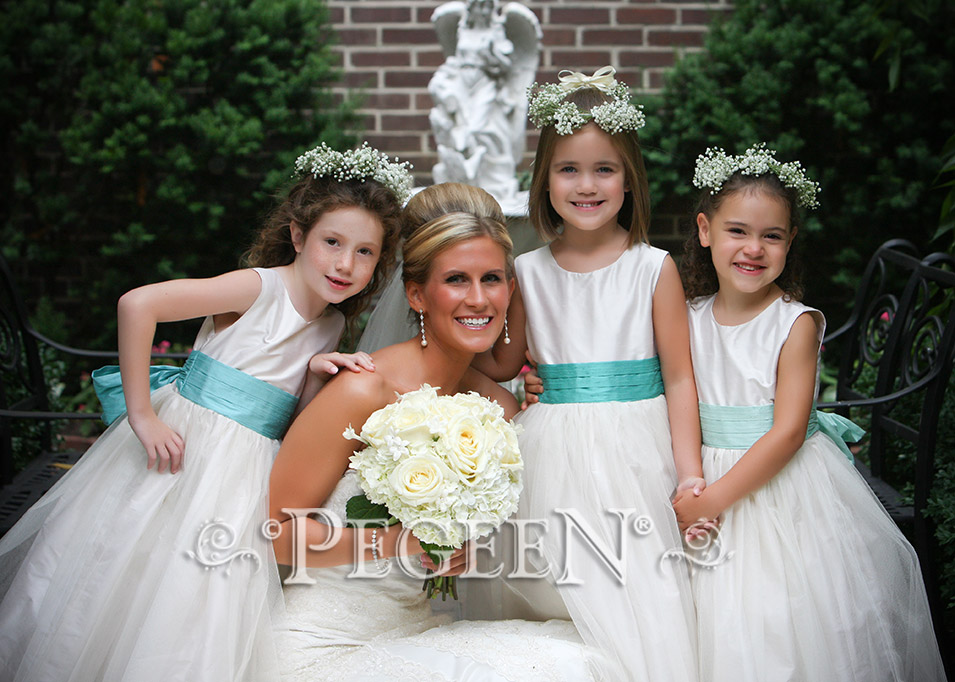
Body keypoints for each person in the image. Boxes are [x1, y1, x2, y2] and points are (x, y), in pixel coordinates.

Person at [0, 143, 410, 682]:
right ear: (297, 235)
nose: (344, 264)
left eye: (364, 252)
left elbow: (290, 426)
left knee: (198, 593)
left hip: (243, 474)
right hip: (186, 453)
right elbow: (137, 304)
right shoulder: (257, 288)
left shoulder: (333, 326)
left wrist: (316, 373)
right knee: (128, 568)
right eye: (332, 242)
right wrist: (143, 415)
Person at [268, 182, 603, 681]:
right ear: (418, 294)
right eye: (456, 280)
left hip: (414, 630)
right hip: (322, 643)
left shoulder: (497, 408)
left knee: (586, 655)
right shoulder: (365, 390)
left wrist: (457, 551)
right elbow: (276, 532)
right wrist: (401, 543)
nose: (478, 298)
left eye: (492, 278)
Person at [671, 144, 945, 681]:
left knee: (774, 619)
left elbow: (790, 431)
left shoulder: (793, 324)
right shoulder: (687, 316)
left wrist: (717, 498)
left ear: (789, 241)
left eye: (771, 235)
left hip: (774, 485)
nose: (754, 248)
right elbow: (670, 388)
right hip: (699, 476)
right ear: (705, 231)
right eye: (737, 231)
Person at [471, 67, 702, 681]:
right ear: (544, 181)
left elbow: (679, 377)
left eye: (605, 169)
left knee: (635, 588)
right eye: (568, 170)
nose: (587, 185)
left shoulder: (653, 268)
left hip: (637, 452)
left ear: (629, 180)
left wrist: (689, 473)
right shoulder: (529, 270)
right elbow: (503, 358)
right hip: (553, 449)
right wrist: (489, 366)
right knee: (555, 585)